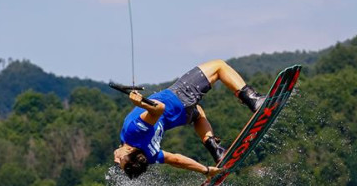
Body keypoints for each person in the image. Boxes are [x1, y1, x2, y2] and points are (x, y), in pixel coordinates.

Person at [113, 59, 266, 179]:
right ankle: (253, 99)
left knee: (198, 114)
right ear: (129, 149)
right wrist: (141, 103)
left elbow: (176, 160)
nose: (116, 160)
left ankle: (216, 149)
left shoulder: (149, 156)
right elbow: (159, 109)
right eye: (121, 161)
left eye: (119, 162)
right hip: (178, 98)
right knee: (219, 66)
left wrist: (205, 170)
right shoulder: (134, 132)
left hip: (180, 116)